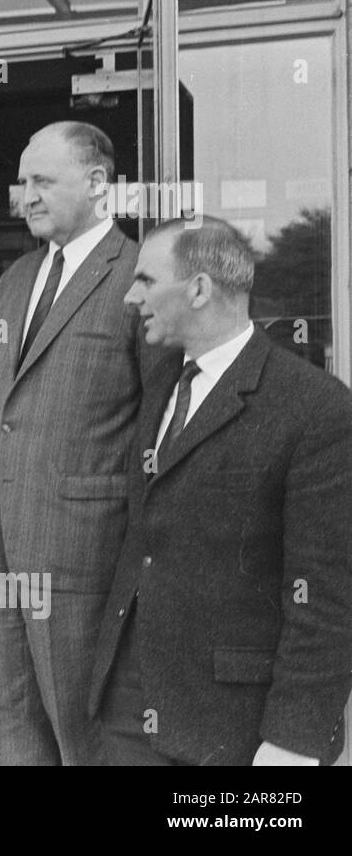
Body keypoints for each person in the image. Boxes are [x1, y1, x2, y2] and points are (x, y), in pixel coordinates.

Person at [91, 218, 352, 766]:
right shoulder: (160, 381)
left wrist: (291, 744)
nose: (131, 297)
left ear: (200, 289)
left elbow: (327, 596)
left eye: (145, 280)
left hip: (235, 728)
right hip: (129, 711)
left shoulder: (314, 407)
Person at [0, 122, 157, 765]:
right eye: (23, 181)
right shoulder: (15, 278)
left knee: (83, 730)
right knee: (1, 726)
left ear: (98, 183)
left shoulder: (140, 275)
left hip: (82, 551)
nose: (26, 196)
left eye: (41, 180)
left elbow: (157, 430)